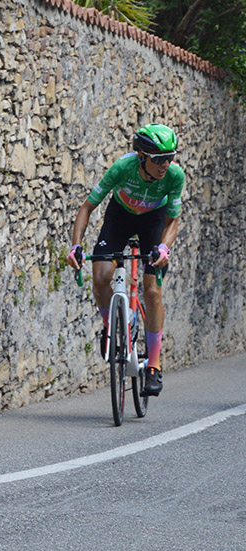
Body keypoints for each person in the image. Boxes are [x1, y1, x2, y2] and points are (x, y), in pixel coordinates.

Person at [65, 124, 184, 395]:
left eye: (170, 157)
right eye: (158, 159)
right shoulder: (122, 168)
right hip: (120, 216)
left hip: (153, 221)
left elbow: (173, 219)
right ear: (141, 155)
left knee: (152, 291)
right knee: (101, 276)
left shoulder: (175, 176)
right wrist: (76, 245)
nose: (165, 164)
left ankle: (153, 365)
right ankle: (112, 327)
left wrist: (164, 249)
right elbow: (87, 207)